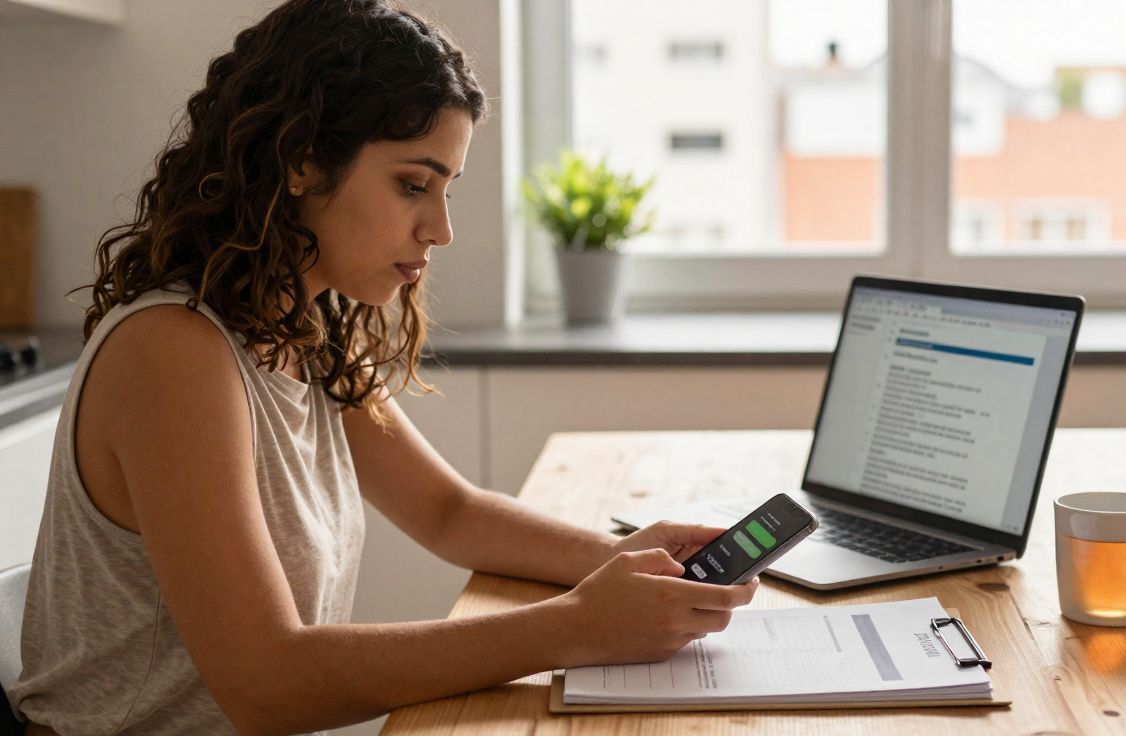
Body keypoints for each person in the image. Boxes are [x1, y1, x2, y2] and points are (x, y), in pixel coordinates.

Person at [10, 1, 757, 733]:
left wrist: (621, 558)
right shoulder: (172, 354)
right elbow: (268, 684)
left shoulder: (305, 326)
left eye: (446, 189)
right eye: (412, 184)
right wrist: (577, 627)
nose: (441, 228)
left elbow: (448, 513)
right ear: (302, 161)